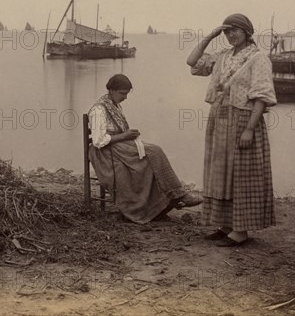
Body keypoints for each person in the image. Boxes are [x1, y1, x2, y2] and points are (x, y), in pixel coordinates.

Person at [186, 14, 277, 247]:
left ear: (247, 32)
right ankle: (225, 225)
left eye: (235, 30)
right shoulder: (224, 56)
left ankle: (240, 231)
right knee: (221, 173)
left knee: (241, 175)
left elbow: (262, 98)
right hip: (220, 118)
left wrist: (249, 129)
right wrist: (210, 35)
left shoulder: (258, 59)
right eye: (227, 32)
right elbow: (192, 62)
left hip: (244, 119)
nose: (230, 35)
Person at [88, 74, 202, 224]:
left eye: (127, 94)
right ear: (111, 90)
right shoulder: (99, 110)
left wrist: (127, 135)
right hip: (105, 152)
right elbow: (98, 141)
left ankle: (171, 198)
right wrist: (125, 136)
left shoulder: (113, 105)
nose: (125, 97)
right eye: (123, 93)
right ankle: (175, 196)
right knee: (153, 153)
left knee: (154, 152)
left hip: (118, 147)